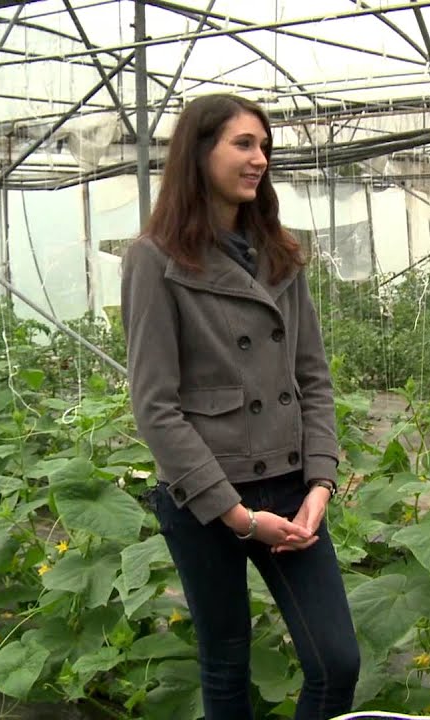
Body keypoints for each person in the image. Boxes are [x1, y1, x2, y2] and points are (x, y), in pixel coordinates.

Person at [121, 93, 359, 720]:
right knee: (225, 661)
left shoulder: (281, 253)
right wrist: (235, 515)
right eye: (243, 144)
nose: (260, 158)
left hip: (289, 489)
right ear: (199, 154)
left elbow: (314, 378)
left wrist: (321, 482)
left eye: (264, 146)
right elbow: (156, 406)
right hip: (206, 499)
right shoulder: (155, 259)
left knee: (336, 663)